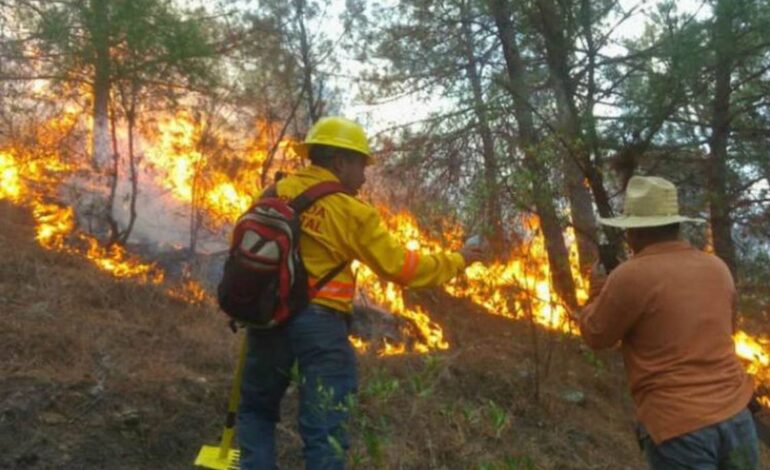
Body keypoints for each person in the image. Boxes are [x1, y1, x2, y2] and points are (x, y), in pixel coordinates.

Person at [237, 116, 487, 470]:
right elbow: (402, 268)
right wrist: (458, 260)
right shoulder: (352, 211)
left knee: (256, 413)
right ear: (340, 162)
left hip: (267, 319)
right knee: (325, 428)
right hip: (319, 327)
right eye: (361, 164)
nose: (365, 175)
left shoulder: (274, 193)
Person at [576, 175, 758, 469]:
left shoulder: (630, 275)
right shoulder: (717, 268)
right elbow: (727, 331)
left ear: (635, 232)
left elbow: (596, 335)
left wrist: (595, 295)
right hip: (737, 417)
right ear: (676, 226)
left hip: (680, 428)